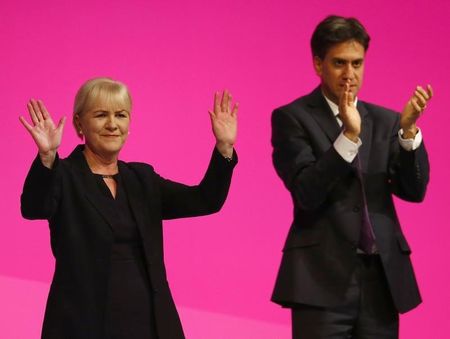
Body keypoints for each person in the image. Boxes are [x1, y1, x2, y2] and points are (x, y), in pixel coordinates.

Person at [20, 77, 238, 339]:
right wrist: (47, 157)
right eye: (101, 115)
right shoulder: (64, 175)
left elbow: (205, 200)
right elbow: (34, 207)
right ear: (79, 123)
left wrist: (224, 148)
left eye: (121, 115)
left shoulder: (141, 179)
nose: (112, 124)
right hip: (82, 323)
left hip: (148, 321)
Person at [270, 15, 432, 339]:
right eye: (339, 63)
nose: (350, 75)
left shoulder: (388, 121)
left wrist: (409, 134)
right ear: (318, 64)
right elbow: (306, 192)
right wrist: (348, 136)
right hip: (321, 280)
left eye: (357, 63)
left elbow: (413, 191)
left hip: (381, 279)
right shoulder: (292, 118)